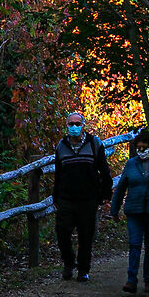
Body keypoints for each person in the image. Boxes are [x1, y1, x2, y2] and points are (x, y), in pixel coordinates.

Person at [109, 132, 149, 294]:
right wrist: (114, 209)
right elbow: (121, 187)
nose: (141, 150)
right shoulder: (131, 164)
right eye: (138, 148)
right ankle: (131, 280)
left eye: (144, 148)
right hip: (134, 210)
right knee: (135, 244)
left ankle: (148, 280)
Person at [50, 111, 111, 281]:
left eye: (78, 123)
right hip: (66, 198)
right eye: (71, 124)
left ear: (83, 126)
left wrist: (105, 194)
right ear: (67, 126)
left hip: (88, 198)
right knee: (62, 233)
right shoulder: (61, 146)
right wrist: (56, 196)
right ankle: (69, 263)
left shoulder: (94, 144)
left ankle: (83, 269)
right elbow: (58, 173)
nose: (74, 127)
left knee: (86, 235)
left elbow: (104, 171)